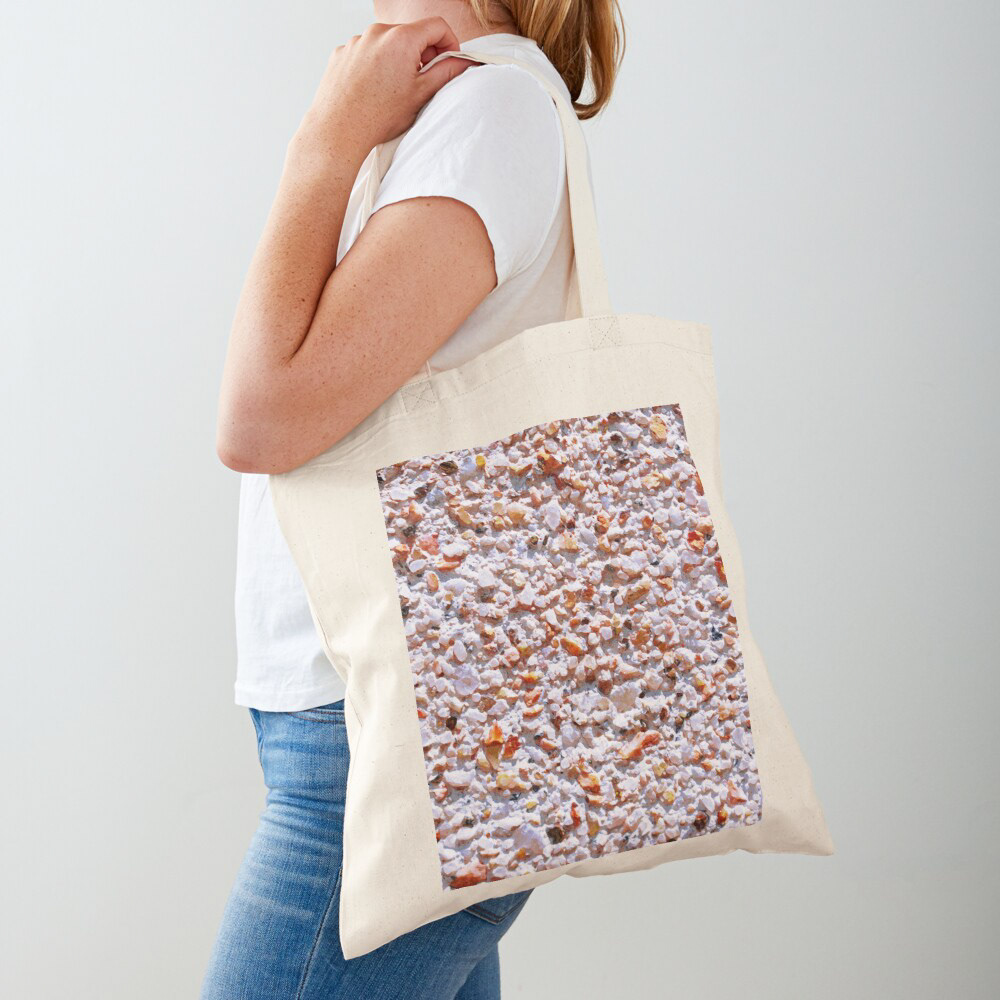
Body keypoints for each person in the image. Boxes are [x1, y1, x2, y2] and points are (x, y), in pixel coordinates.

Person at [204, 2, 623, 997]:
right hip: (376, 731)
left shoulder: (491, 110)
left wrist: (324, 142)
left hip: (390, 753)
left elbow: (260, 417)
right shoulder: (446, 109)